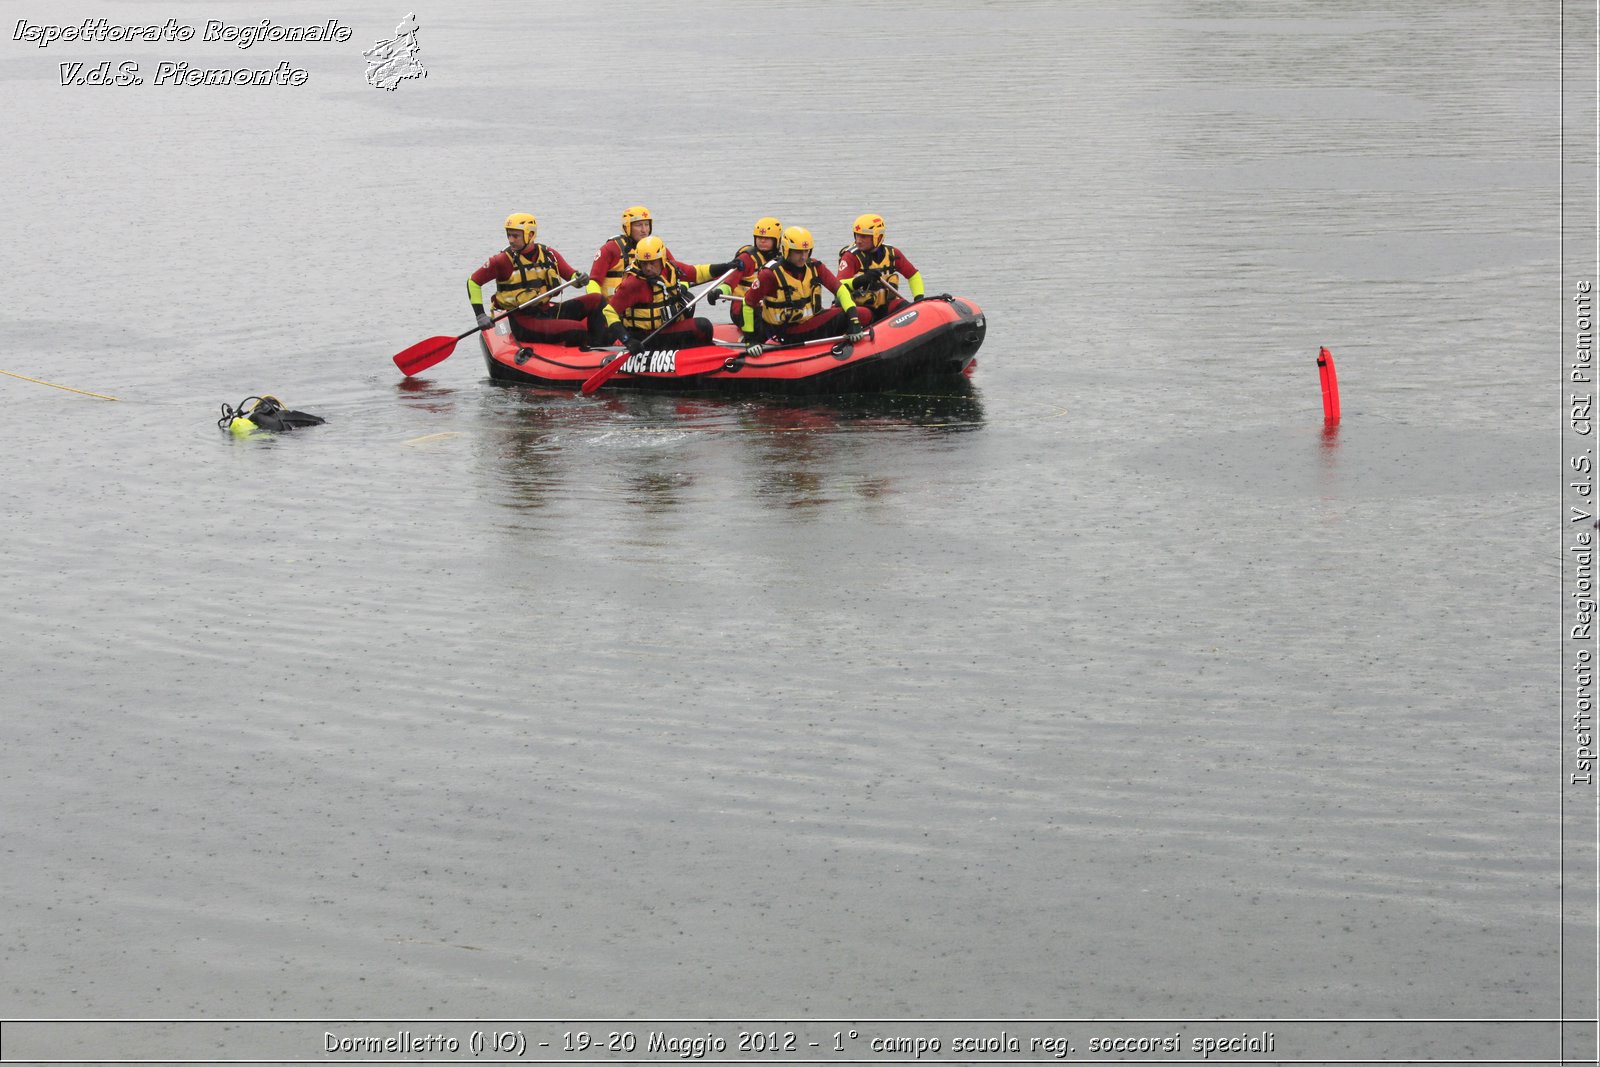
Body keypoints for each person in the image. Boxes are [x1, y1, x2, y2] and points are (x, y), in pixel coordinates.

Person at [468, 213, 603, 345]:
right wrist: (480, 315)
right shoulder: (502, 260)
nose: (511, 240)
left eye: (515, 236)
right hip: (523, 321)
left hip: (546, 312)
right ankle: (588, 356)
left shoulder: (548, 254)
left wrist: (580, 278)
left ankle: (601, 347)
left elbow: (571, 275)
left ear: (530, 235)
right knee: (577, 329)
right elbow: (473, 282)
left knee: (597, 299)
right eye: (509, 235)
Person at [739, 226, 870, 352]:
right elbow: (747, 303)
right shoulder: (770, 274)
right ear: (786, 250)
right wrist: (751, 340)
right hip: (786, 331)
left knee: (860, 313)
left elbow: (840, 290)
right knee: (854, 315)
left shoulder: (815, 267)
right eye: (798, 252)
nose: (803, 257)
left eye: (806, 251)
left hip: (808, 322)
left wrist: (853, 319)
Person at [601, 235, 740, 353]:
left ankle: (687, 349)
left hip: (664, 327)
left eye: (652, 263)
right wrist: (628, 340)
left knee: (688, 300)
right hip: (645, 336)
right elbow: (609, 312)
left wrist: (727, 266)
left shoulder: (671, 268)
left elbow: (697, 273)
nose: (648, 268)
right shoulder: (633, 284)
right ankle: (693, 352)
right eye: (644, 264)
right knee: (703, 326)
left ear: (662, 259)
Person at [835, 212, 925, 319]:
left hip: (885, 306)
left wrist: (919, 298)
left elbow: (913, 275)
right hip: (861, 307)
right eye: (857, 235)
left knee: (904, 307)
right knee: (865, 316)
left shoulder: (893, 253)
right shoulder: (851, 256)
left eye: (863, 236)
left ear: (877, 236)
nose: (858, 241)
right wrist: (861, 280)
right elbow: (838, 285)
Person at [705, 217, 782, 327]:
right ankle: (750, 339)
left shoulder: (782, 259)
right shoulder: (747, 258)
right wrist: (719, 291)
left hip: (768, 306)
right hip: (742, 308)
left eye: (767, 238)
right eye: (759, 237)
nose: (762, 241)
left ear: (777, 240)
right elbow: (730, 280)